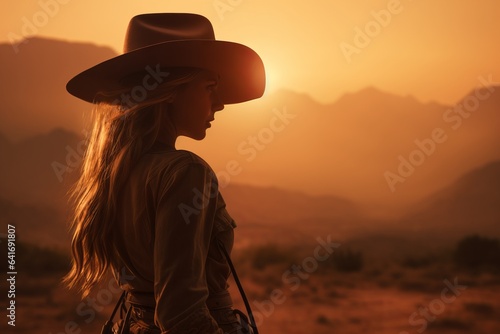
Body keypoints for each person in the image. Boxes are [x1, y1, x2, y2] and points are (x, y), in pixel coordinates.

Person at [63, 13, 265, 334]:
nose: (220, 104)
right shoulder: (185, 171)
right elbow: (182, 316)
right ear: (171, 89)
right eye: (210, 88)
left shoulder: (116, 170)